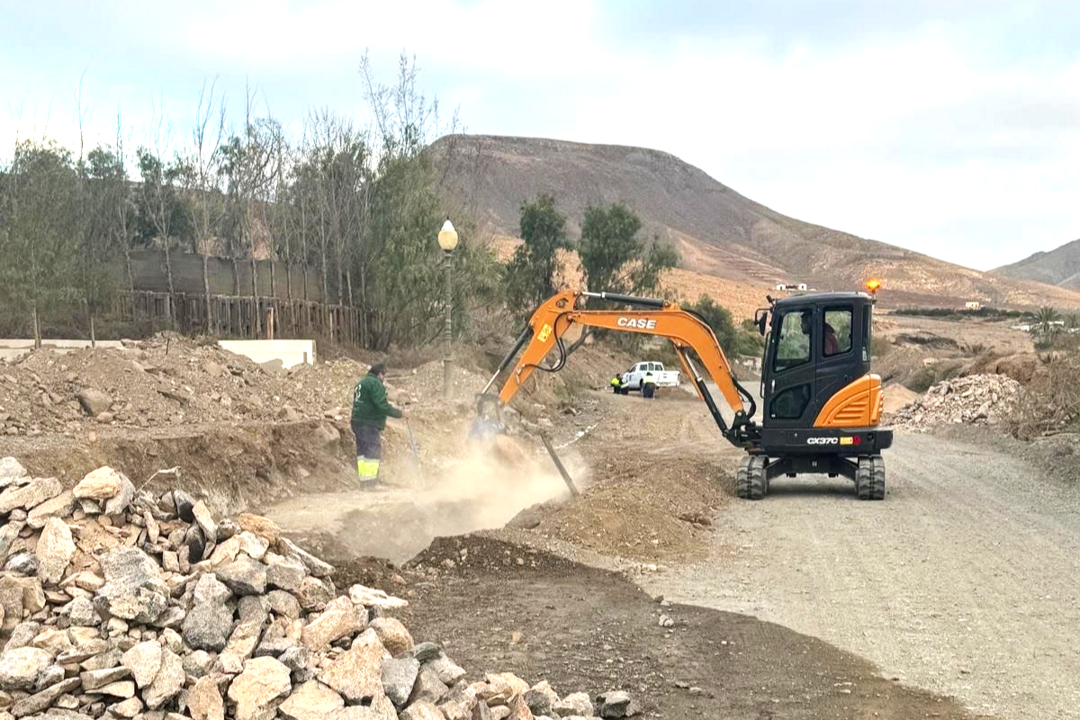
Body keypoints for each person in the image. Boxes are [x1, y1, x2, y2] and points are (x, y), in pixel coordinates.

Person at [350, 363, 403, 488]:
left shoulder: (361, 383)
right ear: (380, 374)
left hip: (357, 421)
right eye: (384, 376)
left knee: (363, 452)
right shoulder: (375, 383)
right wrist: (400, 413)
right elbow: (382, 406)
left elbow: (372, 399)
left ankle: (365, 482)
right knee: (372, 451)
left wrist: (394, 396)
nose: (384, 379)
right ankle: (371, 483)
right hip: (368, 422)